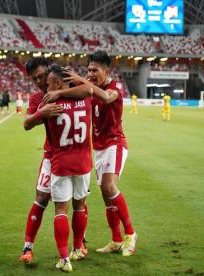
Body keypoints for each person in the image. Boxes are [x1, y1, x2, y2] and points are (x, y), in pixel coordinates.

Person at [42, 51, 137, 257]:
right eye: (89, 70)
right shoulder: (87, 90)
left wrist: (83, 81)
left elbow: (107, 99)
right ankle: (116, 239)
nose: (91, 73)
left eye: (95, 70)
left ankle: (130, 234)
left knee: (110, 186)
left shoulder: (115, 87)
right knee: (105, 194)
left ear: (107, 70)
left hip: (115, 143)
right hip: (99, 147)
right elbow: (71, 92)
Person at [20, 58, 92, 264]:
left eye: (41, 76)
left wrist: (60, 93)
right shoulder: (38, 98)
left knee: (79, 200)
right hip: (52, 156)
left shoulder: (65, 88)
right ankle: (28, 247)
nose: (39, 81)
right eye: (34, 79)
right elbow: (26, 124)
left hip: (72, 155)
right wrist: (40, 114)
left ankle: (79, 243)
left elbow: (87, 90)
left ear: (50, 74)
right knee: (42, 197)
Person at [44, 65, 93, 272]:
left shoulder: (51, 103)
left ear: (57, 84)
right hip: (83, 162)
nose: (46, 87)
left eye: (49, 83)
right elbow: (89, 88)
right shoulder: (86, 99)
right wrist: (78, 78)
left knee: (60, 211)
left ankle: (64, 259)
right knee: (79, 207)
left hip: (61, 162)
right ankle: (77, 248)